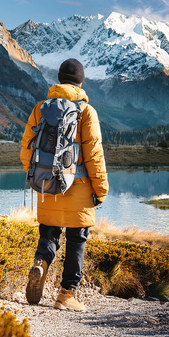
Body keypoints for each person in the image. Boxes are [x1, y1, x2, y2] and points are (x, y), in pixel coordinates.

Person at [20, 58, 109, 311]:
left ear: (59, 79)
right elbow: (94, 155)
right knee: (77, 238)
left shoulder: (41, 108)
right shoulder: (87, 112)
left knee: (49, 233)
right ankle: (66, 295)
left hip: (47, 186)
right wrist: (101, 190)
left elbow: (26, 149)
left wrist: (39, 178)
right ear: (81, 82)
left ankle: (41, 263)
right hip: (78, 187)